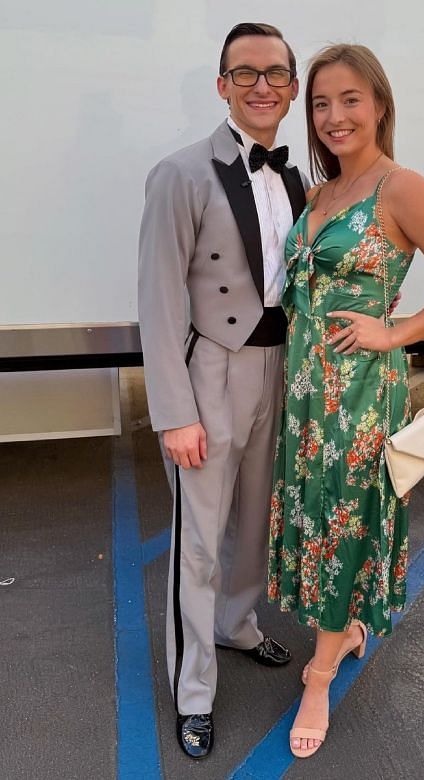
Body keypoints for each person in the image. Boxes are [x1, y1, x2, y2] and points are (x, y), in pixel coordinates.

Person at [266, 43, 424, 759]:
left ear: (380, 104)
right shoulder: (319, 193)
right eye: (322, 103)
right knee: (320, 512)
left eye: (350, 100)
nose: (335, 116)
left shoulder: (402, 188)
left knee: (343, 517)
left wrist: (394, 331)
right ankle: (348, 627)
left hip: (362, 394)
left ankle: (318, 673)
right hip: (307, 394)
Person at [138, 22, 307, 760]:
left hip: (281, 365)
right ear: (222, 86)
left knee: (258, 519)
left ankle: (239, 624)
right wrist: (174, 412)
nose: (262, 85)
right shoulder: (180, 173)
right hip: (213, 370)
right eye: (246, 73)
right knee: (199, 541)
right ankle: (194, 690)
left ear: (293, 87)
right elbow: (159, 299)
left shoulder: (302, 179)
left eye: (275, 73)